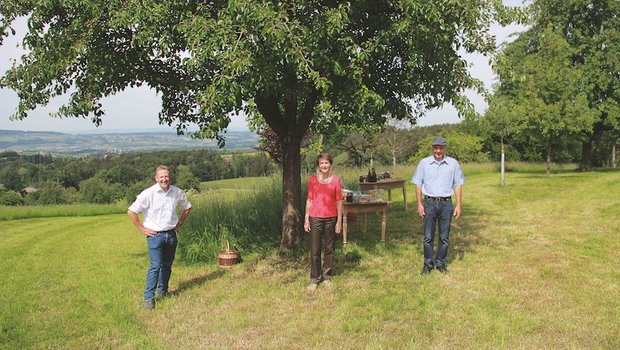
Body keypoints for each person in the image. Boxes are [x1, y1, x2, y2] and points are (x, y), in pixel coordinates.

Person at [128, 165, 192, 309]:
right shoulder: (148, 193)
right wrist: (142, 228)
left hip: (171, 234)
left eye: (166, 176)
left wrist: (180, 222)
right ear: (156, 178)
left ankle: (163, 292)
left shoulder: (176, 192)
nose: (164, 179)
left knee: (167, 266)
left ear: (170, 177)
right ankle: (148, 298)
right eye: (161, 176)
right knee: (155, 266)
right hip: (155, 236)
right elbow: (131, 211)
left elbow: (187, 207)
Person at [411, 136, 464, 275]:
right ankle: (428, 265)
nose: (438, 150)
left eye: (441, 148)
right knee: (428, 236)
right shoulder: (424, 163)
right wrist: (419, 204)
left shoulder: (453, 164)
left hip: (446, 203)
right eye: (436, 148)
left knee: (444, 237)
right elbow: (418, 184)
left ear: (444, 148)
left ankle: (441, 264)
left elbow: (458, 184)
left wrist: (458, 205)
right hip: (429, 203)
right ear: (432, 148)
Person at [303, 153, 343, 292]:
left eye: (326, 163)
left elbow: (339, 202)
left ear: (330, 164)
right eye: (321, 163)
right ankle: (315, 279)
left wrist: (339, 221)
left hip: (331, 218)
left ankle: (326, 277)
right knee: (315, 250)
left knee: (329, 249)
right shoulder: (313, 180)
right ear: (318, 165)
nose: (324, 165)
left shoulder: (337, 180)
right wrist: (306, 219)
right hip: (315, 218)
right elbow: (309, 200)